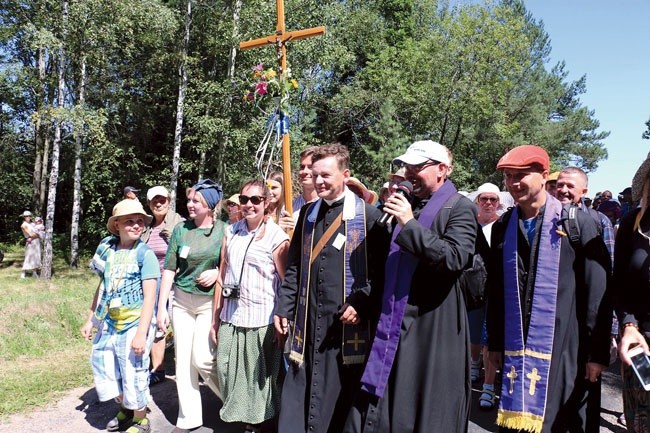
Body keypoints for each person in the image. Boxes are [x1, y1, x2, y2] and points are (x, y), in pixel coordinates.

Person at [347, 140, 477, 433]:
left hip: (432, 325)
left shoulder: (460, 207)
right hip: (395, 320)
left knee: (421, 405)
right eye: (406, 166)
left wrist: (409, 224)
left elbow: (455, 258)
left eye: (417, 167)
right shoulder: (409, 206)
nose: (408, 173)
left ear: (442, 170)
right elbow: (383, 266)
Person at [486, 145, 611, 433]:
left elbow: (598, 291)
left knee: (560, 423)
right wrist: (494, 343)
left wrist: (597, 354)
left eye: (521, 175)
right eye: (508, 176)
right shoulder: (504, 225)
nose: (513, 183)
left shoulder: (577, 223)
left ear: (544, 175)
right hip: (516, 346)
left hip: (566, 346)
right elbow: (496, 289)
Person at [274, 143, 388, 433]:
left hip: (344, 328)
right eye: (315, 175)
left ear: (345, 174)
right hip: (308, 322)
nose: (319, 181)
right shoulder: (308, 214)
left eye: (326, 175)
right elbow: (297, 266)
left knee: (340, 398)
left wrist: (361, 304)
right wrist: (284, 307)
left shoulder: (369, 217)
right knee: (300, 391)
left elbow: (382, 274)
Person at [213, 179, 290, 433]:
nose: (248, 205)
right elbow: (222, 275)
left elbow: (285, 281)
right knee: (224, 368)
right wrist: (215, 318)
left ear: (266, 203)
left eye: (255, 200)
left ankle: (257, 424)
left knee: (258, 380)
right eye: (244, 199)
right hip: (231, 315)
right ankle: (244, 416)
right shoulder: (230, 232)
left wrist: (283, 316)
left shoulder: (277, 238)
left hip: (261, 318)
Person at [81, 199, 160, 433]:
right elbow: (103, 288)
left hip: (136, 324)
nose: (136, 226)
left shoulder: (145, 255)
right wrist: (91, 320)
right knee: (104, 365)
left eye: (139, 222)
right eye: (129, 222)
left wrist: (141, 334)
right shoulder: (108, 250)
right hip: (110, 322)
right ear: (116, 225)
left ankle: (140, 419)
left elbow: (150, 298)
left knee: (133, 371)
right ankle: (126, 407)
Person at [156, 179, 226, 433]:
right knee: (183, 362)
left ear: (210, 205)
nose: (190, 205)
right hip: (181, 302)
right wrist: (162, 307)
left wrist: (217, 272)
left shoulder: (224, 230)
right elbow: (169, 269)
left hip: (209, 303)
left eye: (196, 201)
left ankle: (234, 402)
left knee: (204, 359)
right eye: (189, 200)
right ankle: (188, 418)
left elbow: (232, 263)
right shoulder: (180, 230)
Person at [613, 151, 650, 432]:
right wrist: (628, 323)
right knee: (641, 422)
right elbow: (619, 284)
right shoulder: (632, 224)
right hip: (638, 340)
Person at [140, 186, 184, 386]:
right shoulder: (146, 227)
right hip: (152, 284)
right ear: (149, 204)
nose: (158, 204)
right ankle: (157, 369)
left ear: (169, 200)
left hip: (176, 282)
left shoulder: (180, 224)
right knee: (156, 325)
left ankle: (188, 368)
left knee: (180, 324)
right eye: (154, 201)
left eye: (162, 200)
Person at [469, 182, 501, 410]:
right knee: (472, 335)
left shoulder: (506, 224)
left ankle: (489, 385)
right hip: (472, 288)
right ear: (477, 201)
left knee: (490, 338)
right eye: (484, 199)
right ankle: (473, 363)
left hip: (497, 289)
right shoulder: (469, 224)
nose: (488, 203)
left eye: (493, 199)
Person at [20, 211, 41, 278]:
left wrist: (38, 235)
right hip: (30, 242)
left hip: (36, 242)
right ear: (24, 217)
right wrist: (38, 235)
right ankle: (23, 272)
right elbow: (30, 235)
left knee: (36, 257)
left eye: (29, 216)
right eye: (26, 216)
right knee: (28, 257)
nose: (28, 217)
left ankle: (34, 273)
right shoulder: (24, 225)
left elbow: (40, 230)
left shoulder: (32, 223)